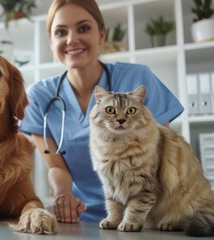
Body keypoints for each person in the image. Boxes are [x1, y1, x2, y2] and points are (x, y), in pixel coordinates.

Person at [20, 0, 184, 224]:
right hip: (82, 219)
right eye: (60, 32)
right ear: (50, 40)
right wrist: (62, 195)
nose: (71, 39)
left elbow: (157, 159)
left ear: (101, 34)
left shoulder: (138, 79)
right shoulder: (39, 97)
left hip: (145, 217)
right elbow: (56, 167)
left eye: (84, 28)